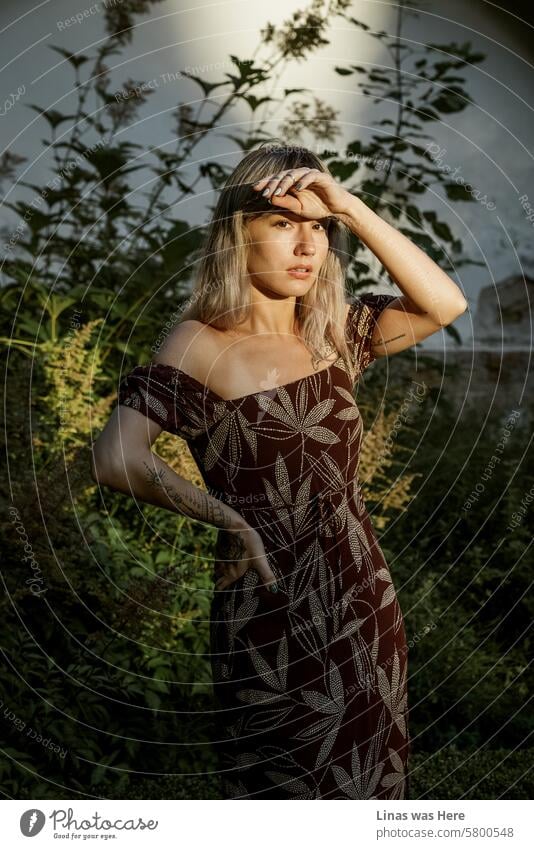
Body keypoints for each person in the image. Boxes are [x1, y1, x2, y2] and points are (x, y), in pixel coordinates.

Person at [91, 141, 467, 799]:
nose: (306, 244)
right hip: (268, 608)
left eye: (318, 227)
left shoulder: (336, 333)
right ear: (239, 234)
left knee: (371, 795)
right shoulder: (199, 343)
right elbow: (116, 457)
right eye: (283, 223)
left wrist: (349, 204)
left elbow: (445, 304)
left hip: (363, 600)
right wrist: (228, 518)